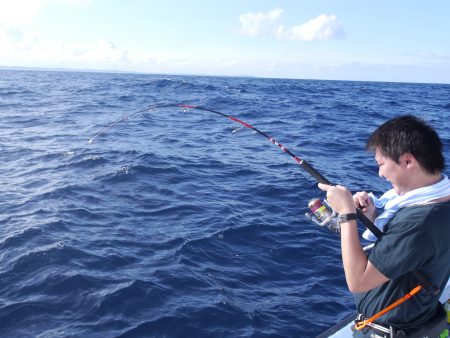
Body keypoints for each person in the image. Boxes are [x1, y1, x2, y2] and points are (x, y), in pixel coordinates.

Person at [318, 115, 450, 337]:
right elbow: (412, 250)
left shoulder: (418, 222)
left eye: (381, 164)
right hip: (418, 320)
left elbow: (358, 281)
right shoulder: (439, 202)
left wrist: (347, 214)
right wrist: (373, 216)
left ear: (408, 161)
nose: (380, 173)